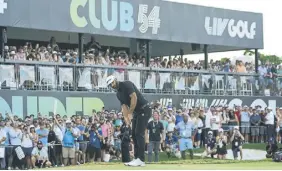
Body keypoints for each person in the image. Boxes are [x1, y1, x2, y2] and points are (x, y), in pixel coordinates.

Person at [106, 75, 151, 167]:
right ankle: (136, 158)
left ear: (115, 80)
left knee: (139, 133)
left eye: (112, 83)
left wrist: (130, 113)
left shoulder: (127, 84)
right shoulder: (118, 94)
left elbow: (134, 98)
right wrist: (127, 119)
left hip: (145, 109)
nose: (112, 85)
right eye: (110, 85)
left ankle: (141, 159)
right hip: (137, 112)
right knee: (134, 134)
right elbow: (124, 107)